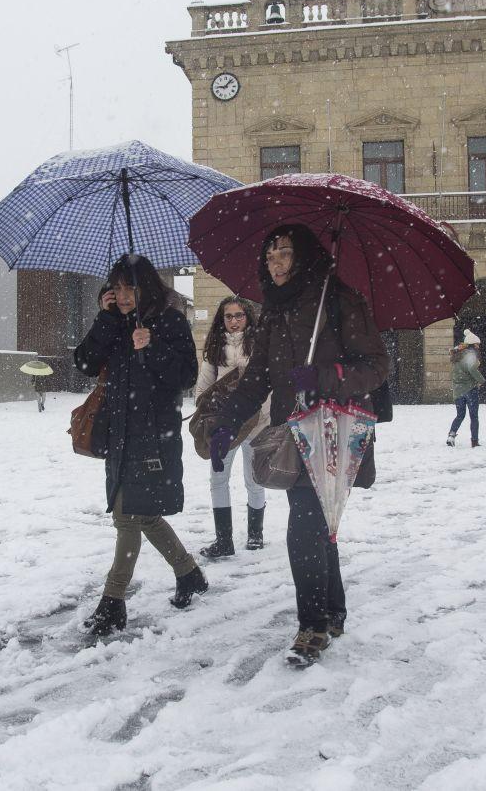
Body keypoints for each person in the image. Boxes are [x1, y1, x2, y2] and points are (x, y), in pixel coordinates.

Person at [209, 224, 390, 665]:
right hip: (296, 428)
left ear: (304, 255)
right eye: (269, 256)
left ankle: (312, 625)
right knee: (316, 519)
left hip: (336, 429)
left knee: (307, 524)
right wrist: (225, 424)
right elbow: (255, 382)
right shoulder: (271, 312)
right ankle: (332, 610)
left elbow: (377, 365)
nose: (274, 263)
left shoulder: (340, 300)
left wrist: (326, 377)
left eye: (284, 253)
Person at [74, 255, 207, 636]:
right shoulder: (113, 321)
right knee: (142, 514)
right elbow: (83, 363)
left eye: (130, 287)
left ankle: (113, 602)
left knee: (127, 517)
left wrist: (151, 347)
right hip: (119, 433)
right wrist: (105, 320)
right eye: (116, 287)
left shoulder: (169, 320)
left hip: (153, 435)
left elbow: (186, 376)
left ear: (146, 286)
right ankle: (189, 573)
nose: (123, 294)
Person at [195, 296, 268, 558]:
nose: (234, 321)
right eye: (228, 316)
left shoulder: (260, 345)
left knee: (255, 480)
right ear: (221, 319)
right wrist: (211, 408)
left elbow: (267, 385)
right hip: (225, 424)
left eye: (239, 316)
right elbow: (202, 388)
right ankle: (224, 540)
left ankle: (255, 534)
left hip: (257, 423)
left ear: (248, 317)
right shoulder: (215, 347)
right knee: (218, 479)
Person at [446, 330, 485, 447]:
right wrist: (481, 380)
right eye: (477, 344)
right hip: (470, 389)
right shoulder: (470, 355)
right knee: (474, 416)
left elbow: (454, 373)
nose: (478, 347)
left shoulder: (456, 356)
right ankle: (474, 441)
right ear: (473, 345)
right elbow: (472, 369)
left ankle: (451, 436)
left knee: (460, 415)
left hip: (458, 391)